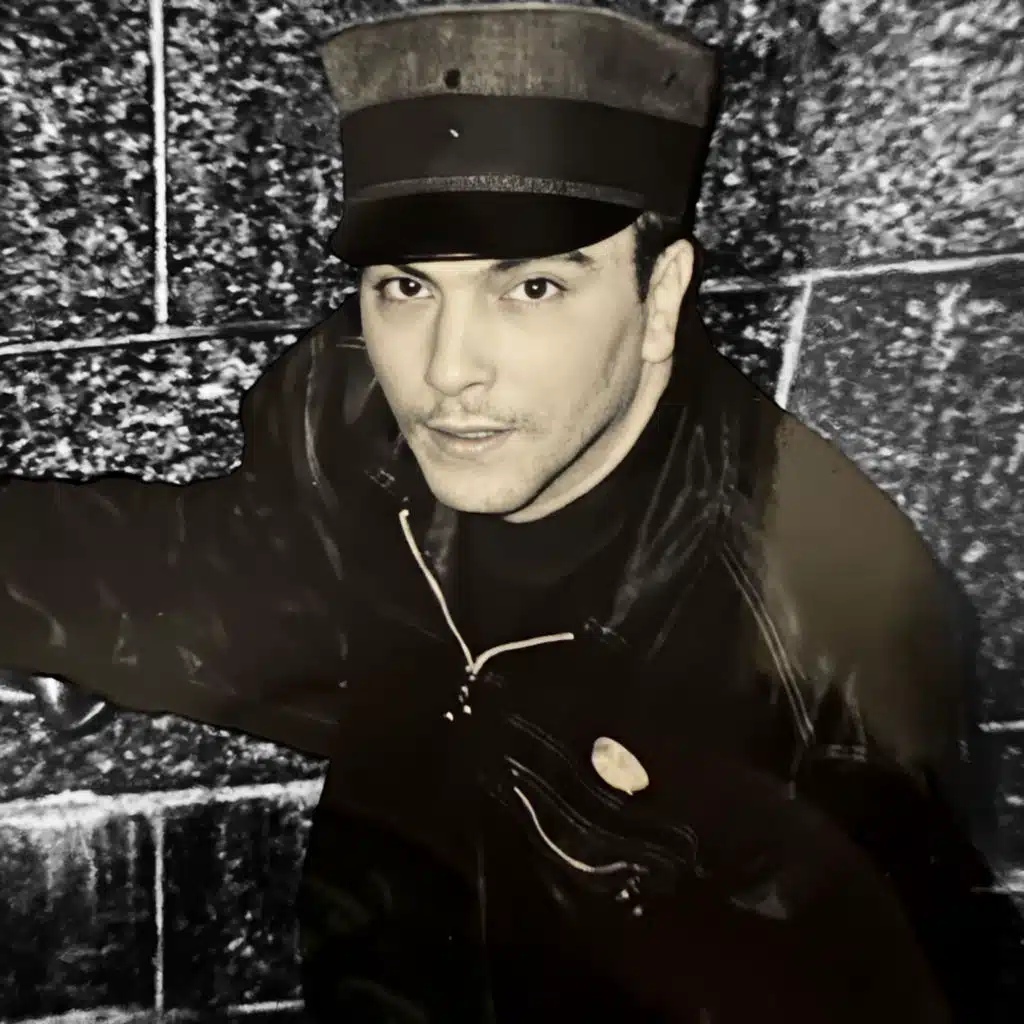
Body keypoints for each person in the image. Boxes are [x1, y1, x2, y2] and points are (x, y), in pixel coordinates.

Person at [0, 4, 1018, 1021]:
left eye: (531, 288)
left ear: (660, 297)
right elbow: (213, 574)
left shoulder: (829, 645)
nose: (447, 371)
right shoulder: (355, 427)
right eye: (407, 287)